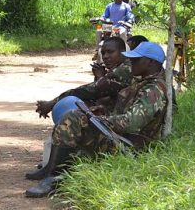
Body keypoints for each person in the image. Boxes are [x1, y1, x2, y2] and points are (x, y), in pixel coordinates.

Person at [25, 42, 168, 198]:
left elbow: (132, 122)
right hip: (120, 137)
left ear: (151, 63)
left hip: (130, 146)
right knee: (77, 115)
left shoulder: (153, 89)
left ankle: (54, 177)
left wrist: (102, 120)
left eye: (136, 60)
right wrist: (100, 112)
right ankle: (53, 170)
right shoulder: (142, 82)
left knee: (73, 119)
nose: (131, 62)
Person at [26, 37, 130, 181]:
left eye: (110, 52)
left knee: (71, 119)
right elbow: (100, 92)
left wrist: (52, 103)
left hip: (118, 129)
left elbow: (89, 90)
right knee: (74, 115)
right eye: (103, 53)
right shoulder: (118, 70)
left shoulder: (124, 71)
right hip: (112, 120)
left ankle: (54, 174)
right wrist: (100, 78)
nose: (105, 57)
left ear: (123, 53)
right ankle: (51, 168)